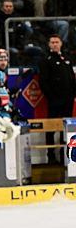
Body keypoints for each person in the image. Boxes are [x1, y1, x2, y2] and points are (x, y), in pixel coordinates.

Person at [38, 34, 76, 164]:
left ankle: (64, 154)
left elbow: (71, 77)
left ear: (61, 43)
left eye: (57, 42)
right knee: (51, 127)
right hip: (54, 100)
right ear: (49, 44)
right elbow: (43, 81)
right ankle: (51, 156)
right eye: (52, 42)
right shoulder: (46, 60)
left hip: (68, 100)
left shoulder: (67, 59)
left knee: (66, 128)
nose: (54, 44)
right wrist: (51, 96)